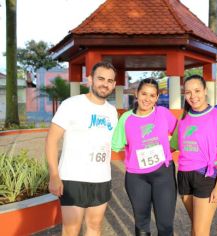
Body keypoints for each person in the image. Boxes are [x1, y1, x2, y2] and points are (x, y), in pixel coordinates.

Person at [46, 61, 118, 235]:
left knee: (95, 226)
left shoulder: (112, 112)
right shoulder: (71, 104)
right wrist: (54, 175)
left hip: (101, 178)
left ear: (114, 84)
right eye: (101, 78)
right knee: (71, 228)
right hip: (73, 177)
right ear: (90, 79)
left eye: (110, 80)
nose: (105, 84)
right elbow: (51, 140)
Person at [112, 78, 177, 236]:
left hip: (163, 174)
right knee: (141, 224)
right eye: (144, 94)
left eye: (152, 95)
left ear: (156, 98)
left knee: (165, 225)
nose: (147, 99)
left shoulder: (163, 113)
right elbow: (115, 144)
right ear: (136, 94)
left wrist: (170, 149)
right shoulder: (126, 119)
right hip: (136, 177)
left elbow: (179, 133)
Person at [170, 75, 217, 235]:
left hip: (206, 177)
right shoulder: (184, 118)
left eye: (197, 91)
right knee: (195, 229)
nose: (193, 96)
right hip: (183, 176)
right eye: (188, 92)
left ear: (205, 91)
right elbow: (172, 147)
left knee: (200, 231)